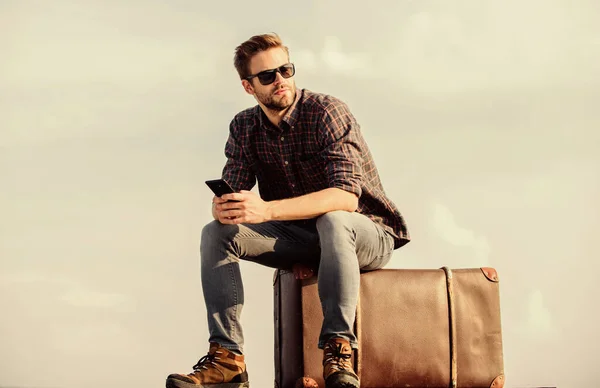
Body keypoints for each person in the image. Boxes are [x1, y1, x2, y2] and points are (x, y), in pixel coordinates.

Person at [166, 33, 410, 388]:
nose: (280, 80)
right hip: (302, 238)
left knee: (334, 219)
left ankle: (338, 350)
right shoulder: (244, 127)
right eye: (267, 76)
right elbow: (234, 190)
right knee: (215, 233)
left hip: (366, 234)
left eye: (285, 69)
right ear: (249, 87)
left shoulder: (327, 112)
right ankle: (228, 358)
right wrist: (225, 207)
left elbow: (346, 198)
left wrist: (266, 210)